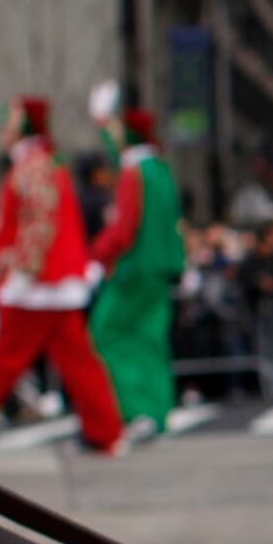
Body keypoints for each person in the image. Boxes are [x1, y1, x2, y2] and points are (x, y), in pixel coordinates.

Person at [0, 97, 127, 452]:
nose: (2, 134)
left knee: (6, 357)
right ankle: (105, 430)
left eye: (7, 127)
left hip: (39, 284)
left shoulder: (32, 165)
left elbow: (39, 224)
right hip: (51, 283)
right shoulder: (41, 164)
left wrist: (22, 268)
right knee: (76, 360)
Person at [86, 105, 185, 433]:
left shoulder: (135, 174)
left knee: (108, 334)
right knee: (151, 340)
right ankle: (157, 413)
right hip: (159, 271)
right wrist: (103, 126)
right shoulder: (160, 170)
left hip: (131, 271)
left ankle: (134, 410)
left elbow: (124, 227)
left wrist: (96, 254)